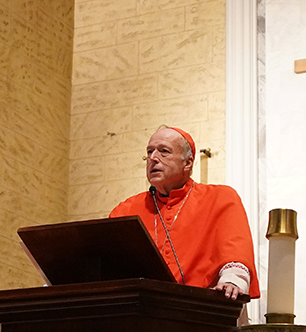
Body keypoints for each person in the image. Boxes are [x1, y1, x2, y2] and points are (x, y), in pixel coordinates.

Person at [109, 126, 259, 300]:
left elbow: (235, 249)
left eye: (164, 151)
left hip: (201, 307)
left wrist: (232, 281)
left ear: (187, 163)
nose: (153, 158)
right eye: (149, 152)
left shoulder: (221, 198)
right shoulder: (125, 210)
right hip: (142, 309)